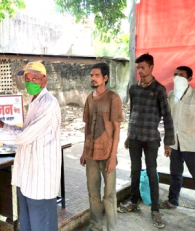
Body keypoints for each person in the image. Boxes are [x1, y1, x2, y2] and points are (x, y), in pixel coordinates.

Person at [0, 62, 62, 231]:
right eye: (27, 79)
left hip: (41, 180)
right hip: (28, 178)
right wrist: (4, 125)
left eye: (35, 79)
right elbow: (26, 131)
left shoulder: (49, 104)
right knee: (28, 225)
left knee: (41, 226)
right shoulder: (35, 102)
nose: (30, 82)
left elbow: (24, 137)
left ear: (44, 80)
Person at [118, 53, 175, 229]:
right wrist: (128, 135)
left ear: (151, 67)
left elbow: (167, 116)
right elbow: (132, 113)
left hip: (151, 138)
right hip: (134, 138)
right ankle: (134, 202)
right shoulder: (133, 88)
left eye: (143, 67)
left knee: (151, 172)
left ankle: (155, 210)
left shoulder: (159, 89)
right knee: (135, 170)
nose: (140, 71)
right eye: (138, 68)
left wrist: (168, 141)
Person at [80, 63, 123, 231]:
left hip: (107, 154)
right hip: (91, 154)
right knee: (93, 194)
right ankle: (95, 226)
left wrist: (113, 157)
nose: (93, 78)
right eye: (91, 75)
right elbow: (87, 125)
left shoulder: (113, 98)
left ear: (105, 78)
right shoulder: (89, 98)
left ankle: (112, 228)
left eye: (96, 75)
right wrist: (84, 151)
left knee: (109, 196)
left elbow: (117, 129)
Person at [160, 66, 195, 224]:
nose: (177, 78)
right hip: (175, 144)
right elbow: (168, 121)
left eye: (181, 76)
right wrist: (167, 142)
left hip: (194, 145)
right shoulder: (171, 96)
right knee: (175, 174)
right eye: (175, 75)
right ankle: (172, 201)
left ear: (189, 79)